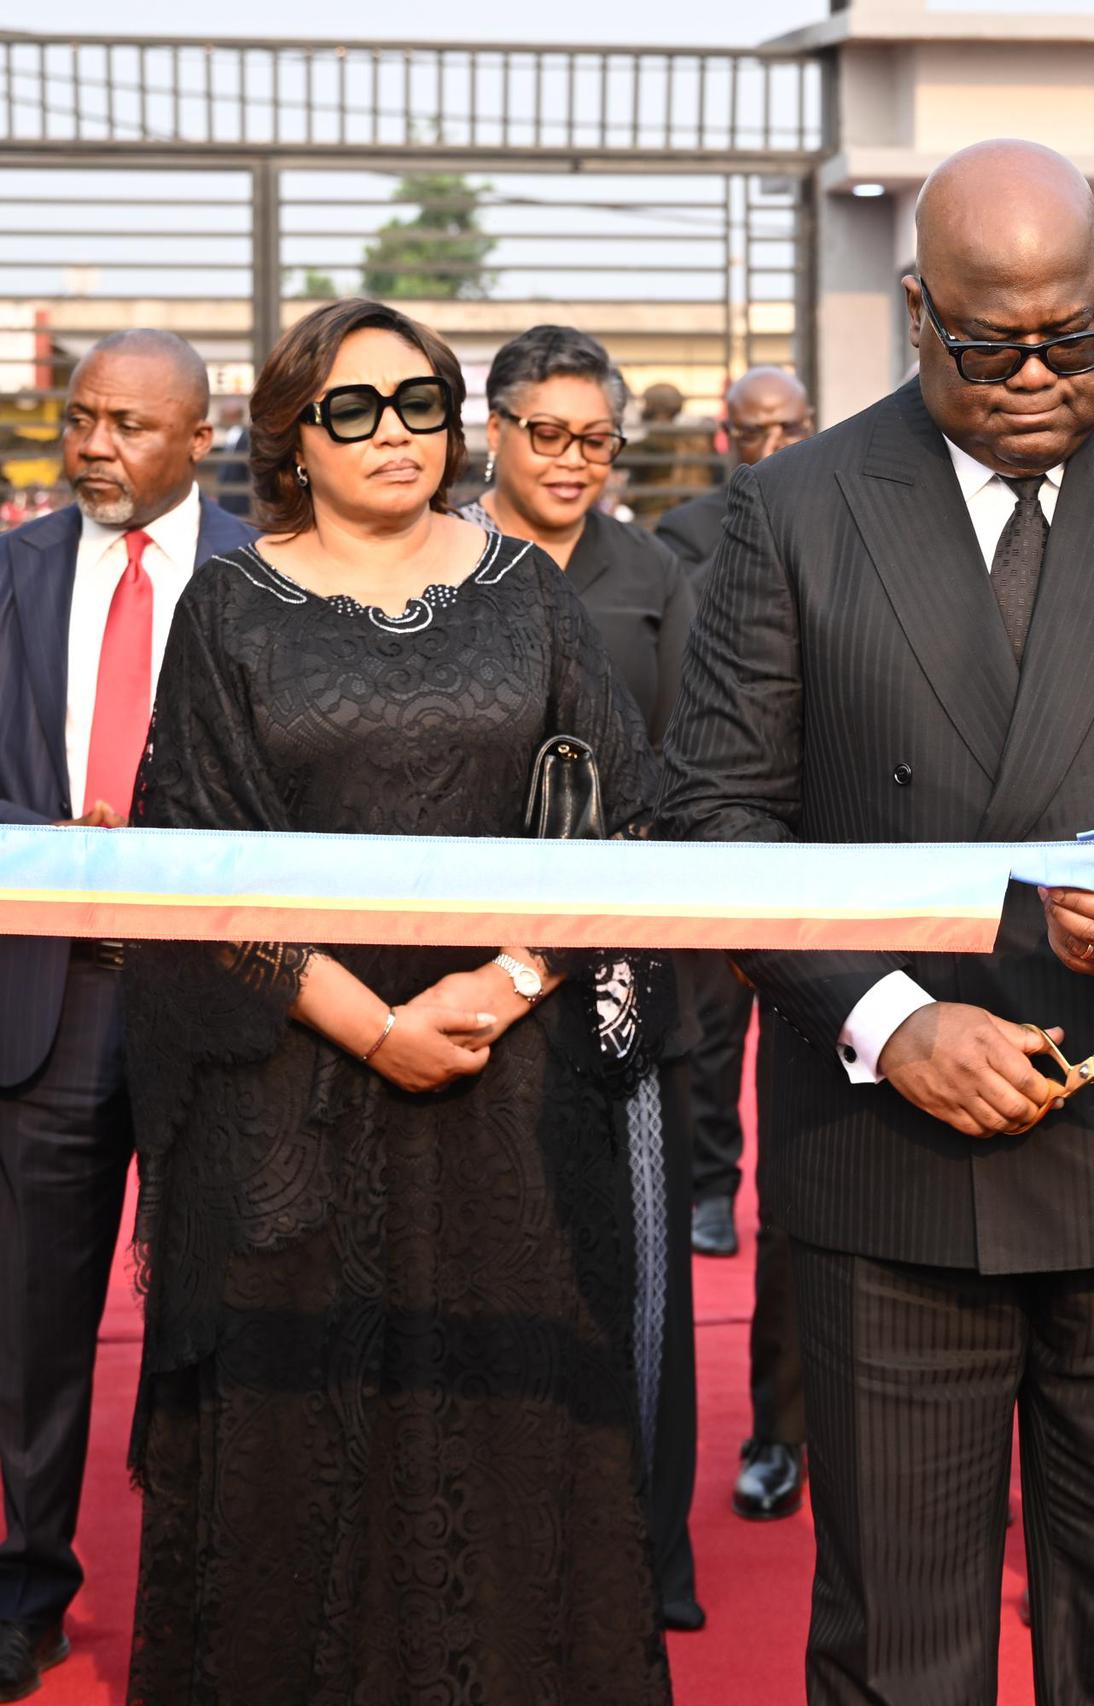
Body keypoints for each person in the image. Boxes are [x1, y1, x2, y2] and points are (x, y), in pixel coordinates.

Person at [659, 139, 1094, 1705]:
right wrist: (893, 1016)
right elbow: (713, 816)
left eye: (1084, 334)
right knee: (899, 1644)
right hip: (894, 1161)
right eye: (995, 345)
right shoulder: (795, 509)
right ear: (918, 310)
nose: (1045, 374)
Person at [119, 298, 671, 1703]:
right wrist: (373, 1023)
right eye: (353, 408)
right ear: (293, 437)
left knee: (508, 1428)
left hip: (513, 1085)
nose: (394, 434)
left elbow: (615, 811)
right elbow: (192, 857)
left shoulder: (530, 592)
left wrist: (508, 978)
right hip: (293, 1097)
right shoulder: (230, 604)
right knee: (304, 1436)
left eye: (419, 402)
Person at [0, 329, 255, 1702]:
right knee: (32, 1324)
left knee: (211, 1318)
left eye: (127, 425)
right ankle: (28, 1585)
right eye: (79, 417)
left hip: (218, 1006)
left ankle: (199, 1600)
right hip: (46, 1002)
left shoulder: (263, 575)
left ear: (198, 438)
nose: (92, 445)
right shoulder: (13, 568)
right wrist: (51, 841)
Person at [461, 322, 706, 1634]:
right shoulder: (439, 563)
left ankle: (650, 1549)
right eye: (545, 432)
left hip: (624, 981)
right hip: (457, 976)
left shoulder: (658, 573)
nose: (571, 459)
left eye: (597, 438)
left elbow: (687, 771)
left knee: (646, 1276)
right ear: (492, 430)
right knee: (490, 1260)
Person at [654, 362, 816, 1525]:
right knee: (712, 1059)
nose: (770, 443)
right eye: (752, 429)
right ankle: (778, 1431)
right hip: (723, 856)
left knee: (813, 1184)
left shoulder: (848, 514)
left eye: (789, 426)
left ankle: (801, 1427)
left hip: (846, 876)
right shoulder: (681, 542)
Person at [654, 366, 813, 581]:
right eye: (752, 433)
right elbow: (687, 607)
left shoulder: (842, 511)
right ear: (728, 435)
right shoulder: (685, 528)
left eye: (790, 428)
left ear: (809, 424)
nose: (771, 448)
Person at [625, 382, 718, 526]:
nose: (642, 409)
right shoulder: (688, 439)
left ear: (652, 407)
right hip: (686, 519)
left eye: (646, 403)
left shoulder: (657, 442)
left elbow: (617, 455)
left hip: (654, 521)